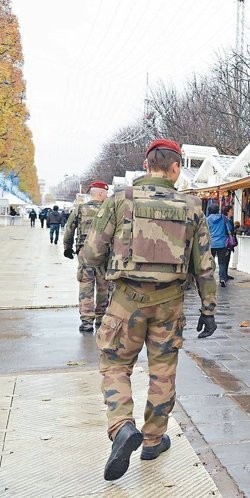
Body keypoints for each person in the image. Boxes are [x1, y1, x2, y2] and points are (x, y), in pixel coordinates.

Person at [79, 139, 217, 481]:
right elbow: (205, 265)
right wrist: (209, 309)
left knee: (115, 364)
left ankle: (122, 427)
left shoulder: (120, 200)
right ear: (176, 167)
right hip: (170, 304)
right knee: (163, 372)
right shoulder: (191, 206)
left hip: (125, 300)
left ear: (146, 164)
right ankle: (153, 441)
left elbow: (91, 254)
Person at [63, 181, 110, 333]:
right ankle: (101, 318)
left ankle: (87, 322)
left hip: (85, 253)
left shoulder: (80, 209)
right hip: (104, 253)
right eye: (106, 193)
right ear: (101, 193)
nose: (107, 195)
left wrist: (67, 247)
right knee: (104, 286)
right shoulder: (109, 210)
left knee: (86, 286)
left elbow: (69, 229)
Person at [206, 203, 232, 287]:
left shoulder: (207, 219)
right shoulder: (223, 218)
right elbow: (230, 228)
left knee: (210, 261)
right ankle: (222, 279)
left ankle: (209, 277)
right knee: (222, 262)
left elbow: (204, 231)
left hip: (211, 243)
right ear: (218, 210)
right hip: (222, 243)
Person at [223, 205, 236, 281]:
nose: (232, 212)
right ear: (228, 211)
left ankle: (225, 273)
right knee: (225, 258)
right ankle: (223, 274)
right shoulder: (225, 220)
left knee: (227, 258)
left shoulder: (229, 220)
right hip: (226, 242)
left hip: (228, 242)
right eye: (231, 210)